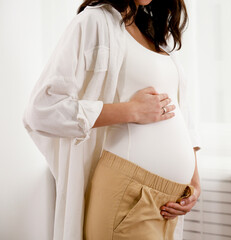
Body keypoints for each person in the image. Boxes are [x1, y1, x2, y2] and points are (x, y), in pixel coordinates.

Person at [22, 0, 202, 239]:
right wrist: (130, 110)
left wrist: (194, 184)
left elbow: (181, 112)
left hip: (169, 204)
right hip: (128, 195)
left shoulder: (153, 31)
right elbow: (41, 109)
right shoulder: (94, 21)